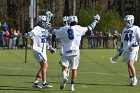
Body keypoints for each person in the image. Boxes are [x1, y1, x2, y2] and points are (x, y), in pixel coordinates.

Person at [55, 14, 100, 91]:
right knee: (74, 69)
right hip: (75, 52)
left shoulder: (64, 29)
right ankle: (72, 86)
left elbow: (53, 31)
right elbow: (90, 27)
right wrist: (95, 21)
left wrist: (47, 27)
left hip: (65, 52)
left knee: (65, 67)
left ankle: (65, 77)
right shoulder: (79, 28)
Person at [29, 11, 54, 88]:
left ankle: (35, 82)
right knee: (45, 65)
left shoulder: (44, 30)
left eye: (44, 21)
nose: (44, 23)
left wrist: (49, 47)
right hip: (38, 50)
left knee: (43, 66)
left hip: (43, 51)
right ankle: (44, 83)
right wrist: (29, 34)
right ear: (40, 22)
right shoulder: (37, 28)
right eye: (43, 21)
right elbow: (32, 33)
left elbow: (44, 41)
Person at [120, 15, 140, 86]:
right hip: (126, 48)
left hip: (133, 48)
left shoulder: (136, 28)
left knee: (130, 63)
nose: (127, 22)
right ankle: (131, 79)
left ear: (132, 21)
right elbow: (122, 41)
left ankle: (135, 79)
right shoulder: (124, 29)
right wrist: (121, 48)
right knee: (128, 64)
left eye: (128, 21)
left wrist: (136, 44)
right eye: (126, 21)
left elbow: (139, 38)